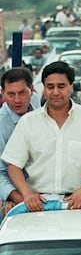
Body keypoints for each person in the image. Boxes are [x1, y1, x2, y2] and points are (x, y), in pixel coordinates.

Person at [1, 61, 81, 212]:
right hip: (39, 204)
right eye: (50, 86)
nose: (55, 92)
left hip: (80, 203)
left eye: (61, 86)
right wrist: (27, 194)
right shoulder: (28, 121)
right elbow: (13, 165)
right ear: (43, 90)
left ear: (71, 87)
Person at [0, 67, 39, 211]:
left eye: (22, 93)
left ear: (32, 90)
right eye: (10, 94)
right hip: (16, 197)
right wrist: (19, 198)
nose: (17, 100)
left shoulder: (41, 110)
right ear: (3, 94)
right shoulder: (1, 124)